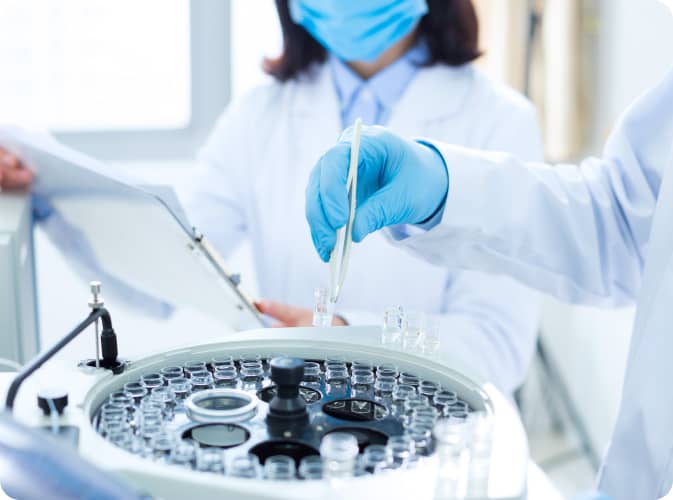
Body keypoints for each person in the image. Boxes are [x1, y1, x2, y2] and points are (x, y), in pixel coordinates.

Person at [0, 0, 543, 396]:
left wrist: (351, 337)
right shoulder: (259, 115)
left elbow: (498, 342)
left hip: (434, 435)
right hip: (294, 424)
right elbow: (172, 264)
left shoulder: (500, 121)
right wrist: (47, 186)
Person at [304, 0, 673, 497]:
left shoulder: (498, 111)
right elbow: (627, 229)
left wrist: (351, 336)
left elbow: (498, 343)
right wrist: (446, 188)